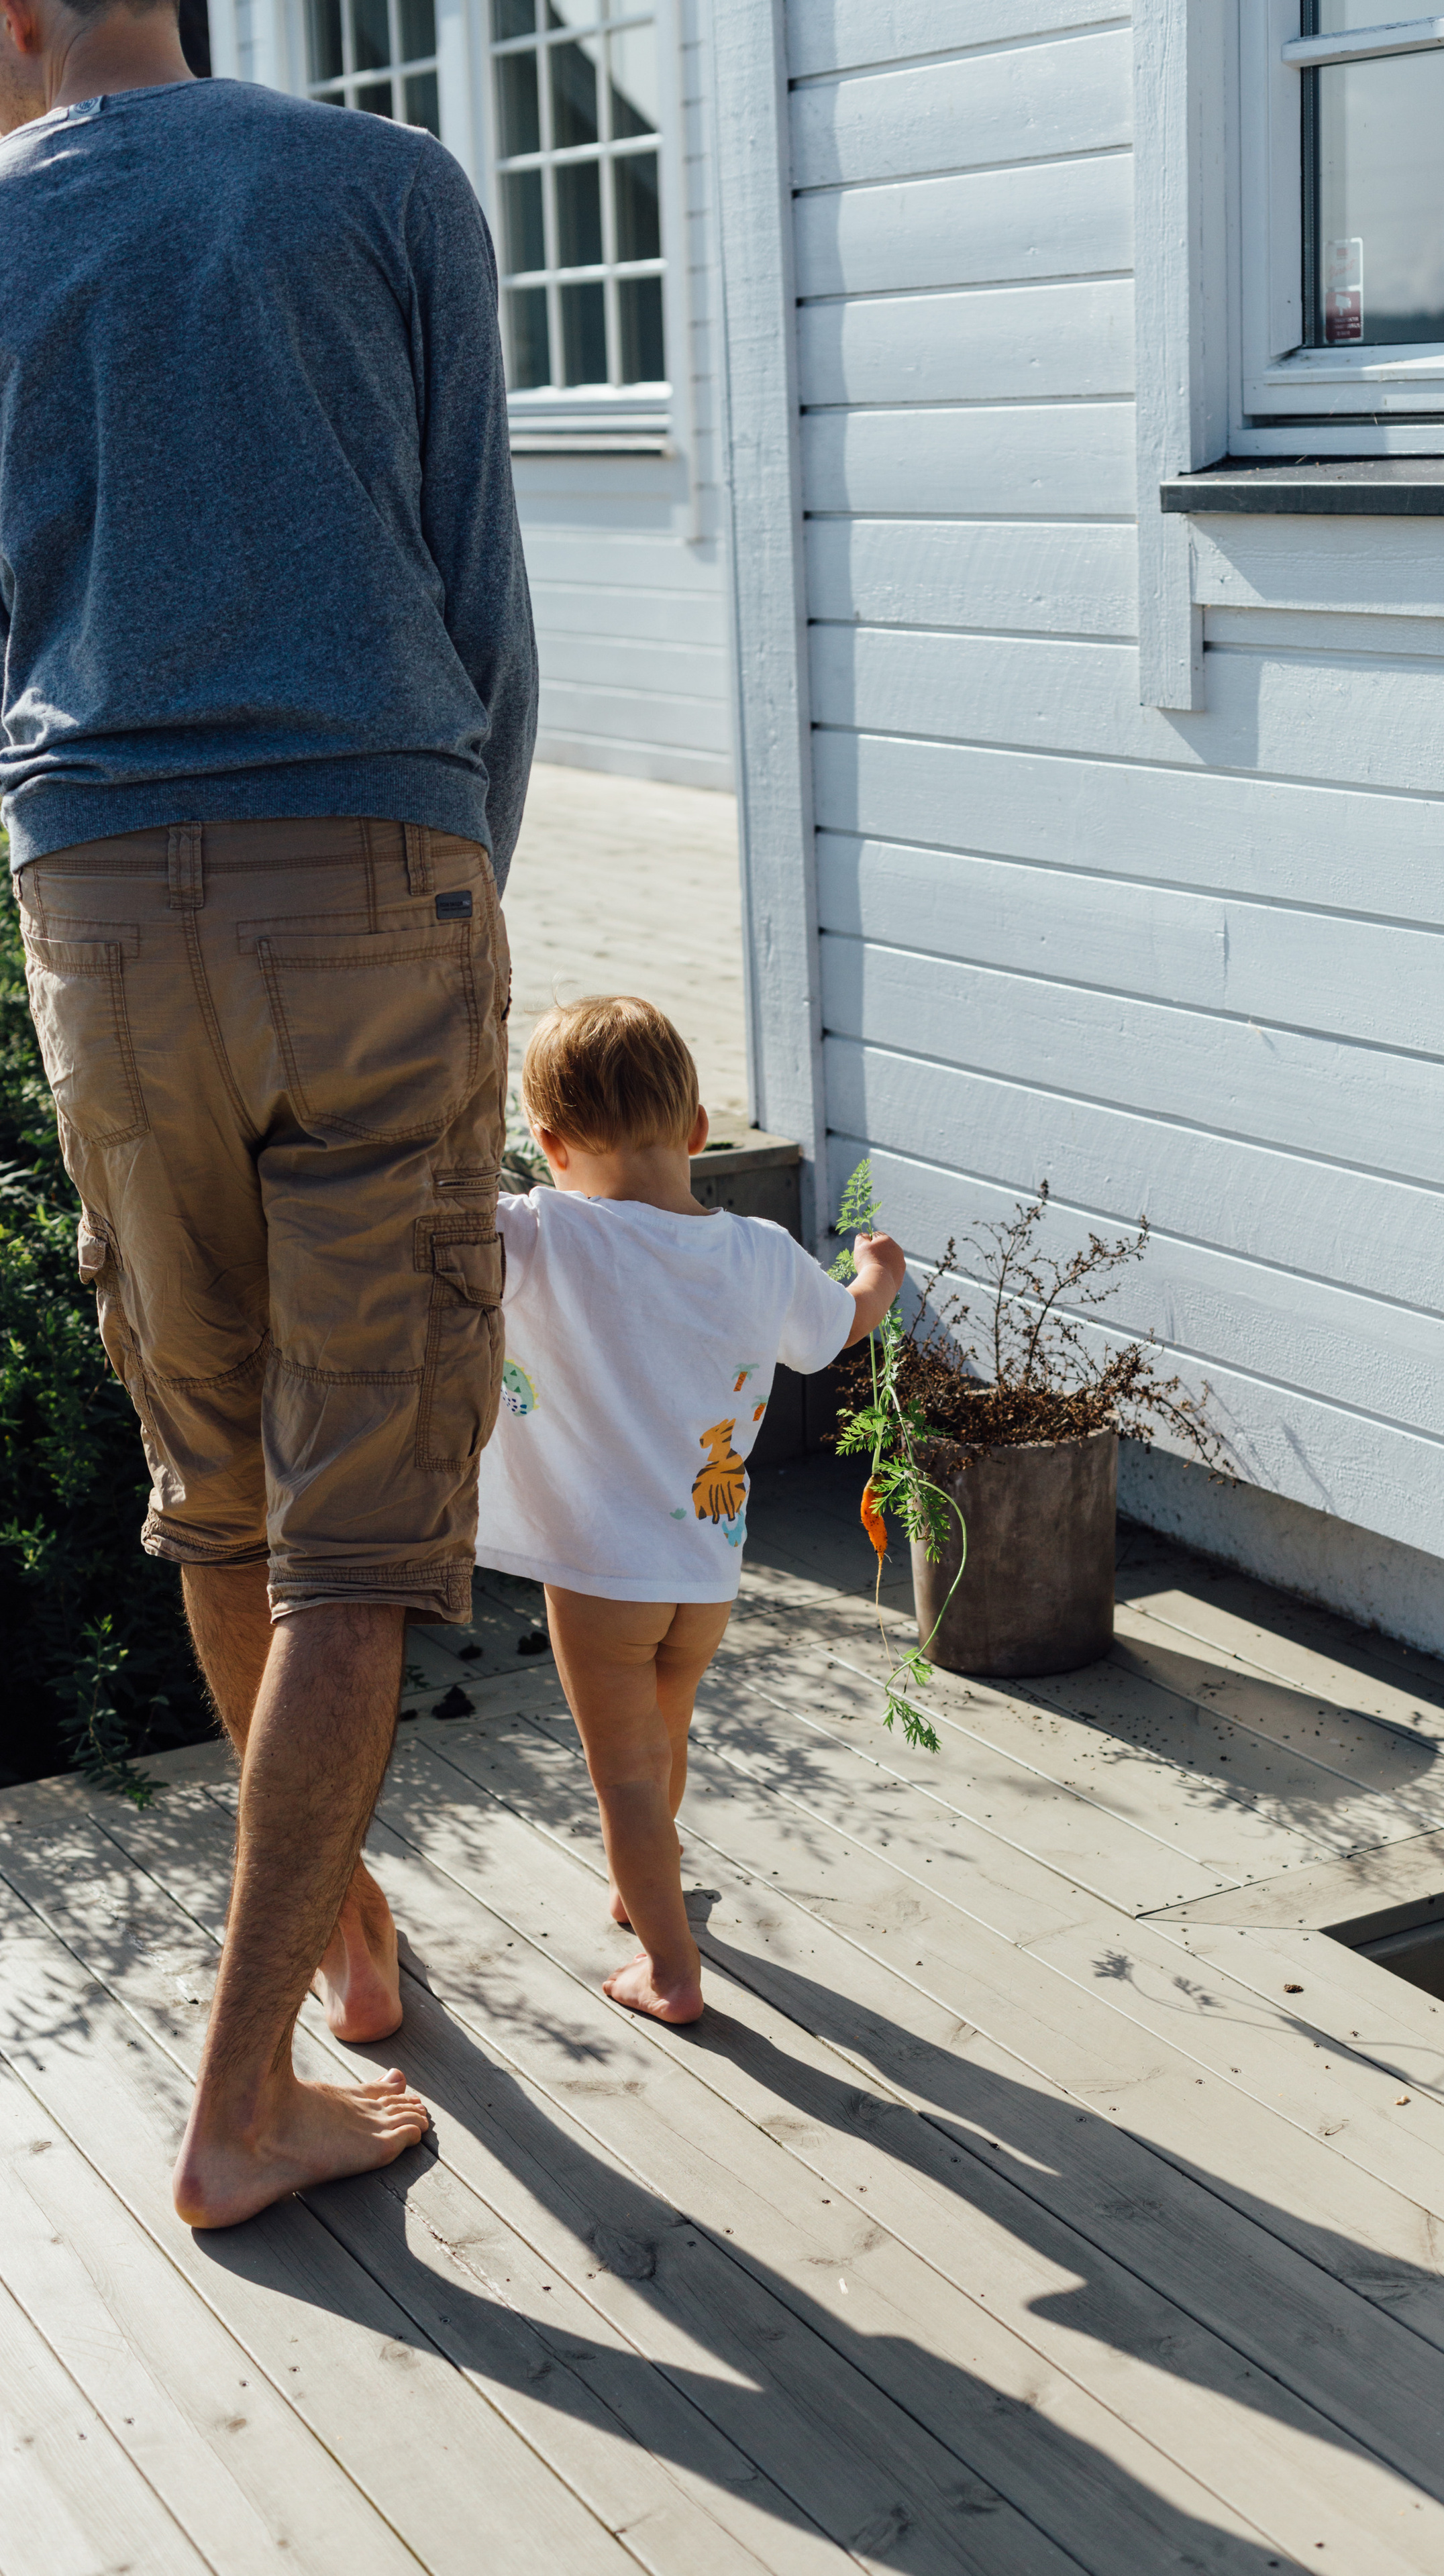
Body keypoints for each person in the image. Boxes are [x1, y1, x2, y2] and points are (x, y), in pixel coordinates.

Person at [0, 0, 537, 2226]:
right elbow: (483, 599)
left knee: (220, 1492)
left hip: (99, 907)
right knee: (363, 1526)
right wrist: (451, 889)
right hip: (376, 867)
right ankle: (242, 2106)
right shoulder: (391, 189)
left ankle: (351, 1941)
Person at [478, 997, 905, 2023]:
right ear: (701, 1132)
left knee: (621, 1775)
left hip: (600, 1574)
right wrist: (876, 1274)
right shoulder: (757, 1251)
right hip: (707, 1568)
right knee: (664, 1744)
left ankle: (670, 1972)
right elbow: (839, 1329)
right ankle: (643, 1889)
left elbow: (428, 1228)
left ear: (547, 1146)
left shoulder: (537, 1232)